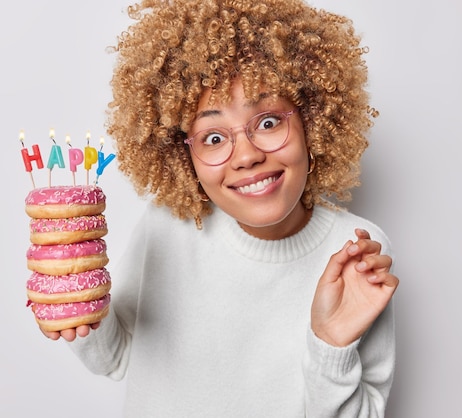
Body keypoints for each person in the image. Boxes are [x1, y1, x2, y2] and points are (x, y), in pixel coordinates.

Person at [42, 0, 400, 415]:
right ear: (182, 157)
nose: (245, 156)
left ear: (312, 122)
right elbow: (115, 358)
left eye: (268, 122)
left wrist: (331, 345)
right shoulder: (167, 225)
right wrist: (78, 304)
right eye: (213, 138)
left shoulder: (356, 253)